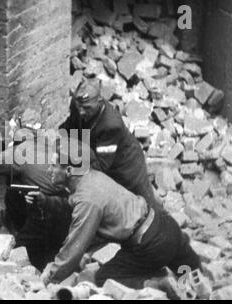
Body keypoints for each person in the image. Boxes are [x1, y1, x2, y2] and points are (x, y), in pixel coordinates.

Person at [41, 139, 201, 288]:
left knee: (105, 278)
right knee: (194, 277)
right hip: (166, 225)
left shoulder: (86, 200)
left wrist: (52, 277)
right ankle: (194, 286)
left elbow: (74, 248)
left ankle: (157, 284)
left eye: (53, 165)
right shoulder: (92, 177)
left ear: (69, 170)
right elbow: (80, 209)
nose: (49, 169)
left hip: (150, 245)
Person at [0, 132, 72, 271]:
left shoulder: (19, 153)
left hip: (47, 210)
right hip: (66, 207)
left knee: (16, 255)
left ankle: (29, 254)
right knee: (13, 191)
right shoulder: (45, 144)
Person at [60, 77, 162, 212]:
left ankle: (163, 223)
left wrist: (72, 172)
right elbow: (70, 127)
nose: (81, 112)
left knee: (144, 205)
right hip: (99, 153)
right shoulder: (78, 104)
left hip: (127, 165)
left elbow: (100, 167)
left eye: (86, 108)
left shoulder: (111, 124)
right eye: (79, 107)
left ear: (100, 101)